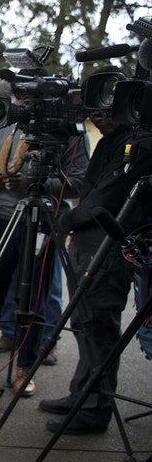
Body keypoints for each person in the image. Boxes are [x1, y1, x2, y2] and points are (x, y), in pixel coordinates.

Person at [0, 78, 89, 396]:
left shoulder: (67, 131)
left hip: (43, 220)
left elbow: (80, 182)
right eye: (21, 97)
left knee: (34, 300)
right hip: (2, 219)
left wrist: (34, 184)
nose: (24, 104)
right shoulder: (3, 127)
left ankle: (25, 366)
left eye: (30, 98)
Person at [40, 70, 152, 435]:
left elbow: (109, 196)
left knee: (99, 326)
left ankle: (95, 408)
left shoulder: (134, 145)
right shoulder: (108, 142)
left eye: (104, 110)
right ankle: (81, 395)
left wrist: (68, 221)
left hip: (109, 249)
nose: (97, 116)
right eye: (92, 112)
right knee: (84, 323)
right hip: (88, 248)